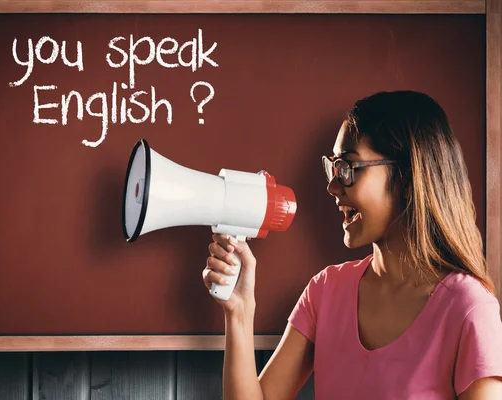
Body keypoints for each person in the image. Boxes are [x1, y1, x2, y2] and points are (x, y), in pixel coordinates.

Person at [202, 90, 502, 399]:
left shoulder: (468, 310)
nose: (332, 187)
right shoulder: (326, 291)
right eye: (333, 167)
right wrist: (238, 311)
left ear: (407, 178)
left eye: (348, 168)